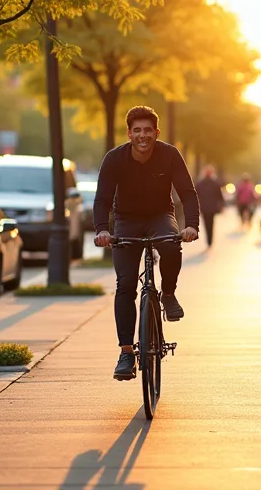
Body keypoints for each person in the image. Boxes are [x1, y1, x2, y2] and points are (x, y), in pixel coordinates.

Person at [93, 106, 200, 381]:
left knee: (170, 243)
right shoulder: (114, 159)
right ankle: (126, 352)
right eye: (137, 131)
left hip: (159, 216)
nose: (143, 135)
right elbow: (103, 198)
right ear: (129, 134)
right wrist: (102, 230)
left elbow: (187, 192)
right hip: (126, 220)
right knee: (125, 284)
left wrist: (192, 225)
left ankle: (168, 293)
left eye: (148, 130)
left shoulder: (169, 155)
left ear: (156, 133)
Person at [194, 165, 224, 247]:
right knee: (211, 223)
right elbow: (220, 196)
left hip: (203, 207)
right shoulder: (215, 183)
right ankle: (210, 240)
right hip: (212, 207)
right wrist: (221, 206)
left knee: (206, 223)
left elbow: (195, 195)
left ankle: (208, 240)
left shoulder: (200, 183)